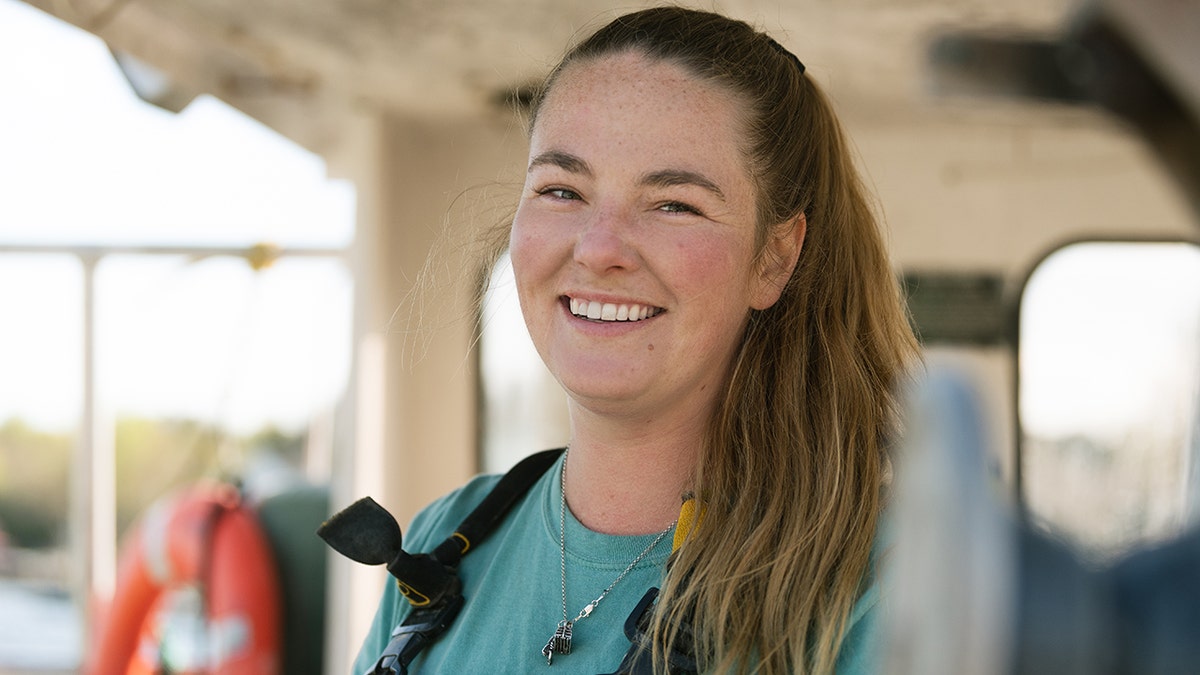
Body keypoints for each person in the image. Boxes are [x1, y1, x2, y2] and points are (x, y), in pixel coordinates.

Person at [350, 6, 919, 674]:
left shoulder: (889, 585)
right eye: (562, 189)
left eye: (674, 203)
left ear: (774, 256)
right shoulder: (444, 537)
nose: (598, 248)